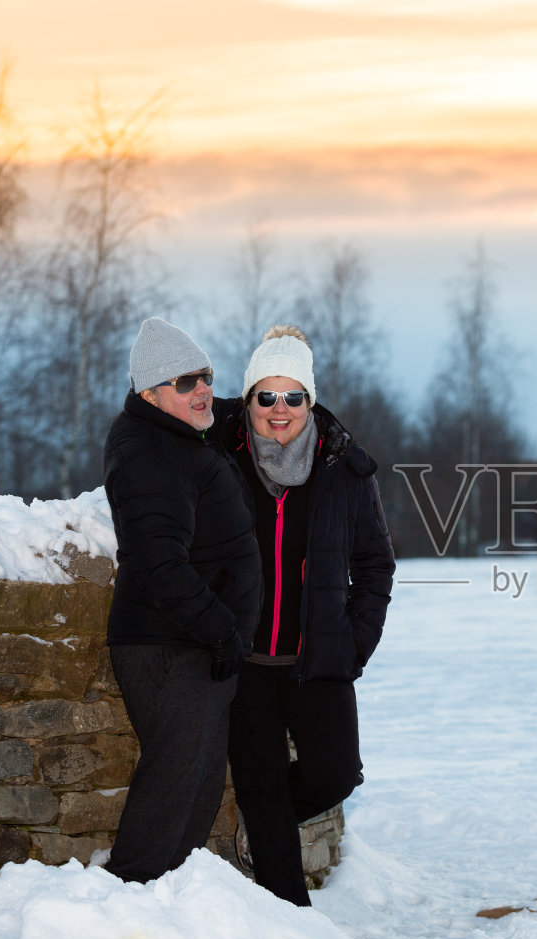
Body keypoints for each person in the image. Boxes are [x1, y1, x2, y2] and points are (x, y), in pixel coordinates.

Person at [207, 324, 394, 907]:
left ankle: (263, 834)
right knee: (262, 791)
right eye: (266, 396)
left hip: (317, 660)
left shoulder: (344, 470)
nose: (279, 409)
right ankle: (294, 928)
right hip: (244, 663)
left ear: (310, 401)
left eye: (294, 396)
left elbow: (375, 566)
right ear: (248, 401)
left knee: (336, 776)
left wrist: (351, 643)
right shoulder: (216, 460)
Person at [102, 316, 261, 884]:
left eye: (207, 377)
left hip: (193, 644)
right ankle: (128, 902)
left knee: (195, 786)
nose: (203, 391)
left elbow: (240, 412)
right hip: (167, 645)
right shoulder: (147, 452)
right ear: (149, 392)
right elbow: (157, 562)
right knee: (173, 782)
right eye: (186, 381)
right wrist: (221, 631)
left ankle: (174, 908)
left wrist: (280, 394)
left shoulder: (175, 434)